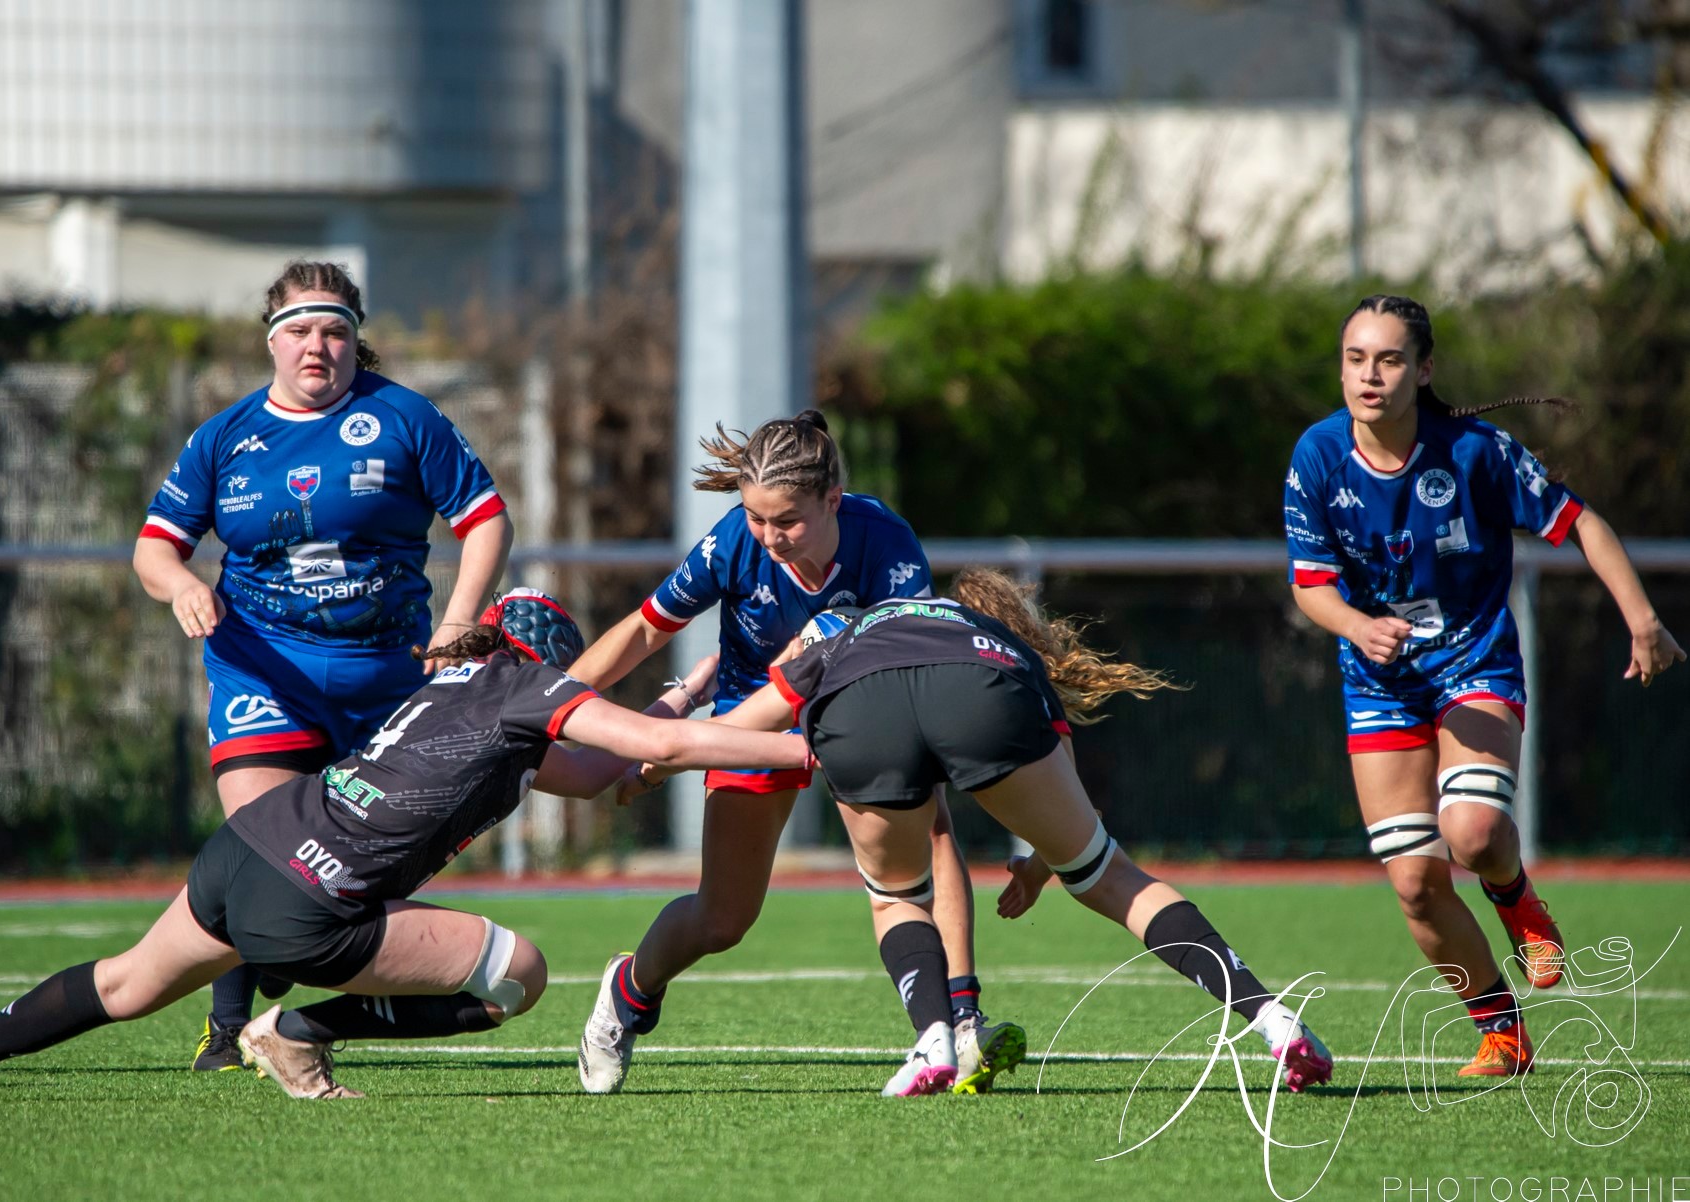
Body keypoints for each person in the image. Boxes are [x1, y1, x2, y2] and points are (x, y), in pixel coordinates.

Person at [0, 592, 812, 1103]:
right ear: (549, 664)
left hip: (251, 844)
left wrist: (683, 697)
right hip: (314, 901)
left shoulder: (451, 688)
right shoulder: (530, 693)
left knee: (125, 984)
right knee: (519, 977)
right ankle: (294, 1033)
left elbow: (603, 769)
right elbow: (650, 755)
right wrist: (795, 742)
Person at [630, 572, 1335, 1097]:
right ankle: (1272, 1019)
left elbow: (737, 728)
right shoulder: (1001, 646)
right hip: (983, 694)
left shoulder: (838, 634)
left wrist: (659, 757)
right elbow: (1061, 780)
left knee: (897, 897)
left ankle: (935, 1042)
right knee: (1113, 877)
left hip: (861, 706)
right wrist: (1036, 862)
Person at [1282, 294, 1683, 1078]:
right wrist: (1357, 626)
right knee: (1416, 882)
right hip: (1380, 681)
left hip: (1473, 663)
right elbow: (1309, 584)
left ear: (1424, 369)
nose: (1370, 375)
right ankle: (1502, 1031)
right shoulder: (1317, 456)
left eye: (1390, 359)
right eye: (1356, 359)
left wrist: (1642, 619)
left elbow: (1582, 522)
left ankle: (1515, 895)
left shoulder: (1474, 452)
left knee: (1469, 835)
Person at [571, 410, 1024, 1096]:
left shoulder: (887, 545)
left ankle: (962, 1018)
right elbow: (643, 630)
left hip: (862, 711)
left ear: (832, 498)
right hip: (751, 722)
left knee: (931, 831)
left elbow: (899, 670)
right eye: (756, 517)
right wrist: (555, 702)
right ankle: (628, 991)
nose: (769, 537)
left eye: (786, 520)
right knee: (723, 919)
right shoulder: (734, 543)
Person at [133, 260, 516, 1070]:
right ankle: (228, 1026)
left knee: (350, 868)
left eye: (336, 331)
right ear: (273, 343)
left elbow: (485, 521)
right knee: (263, 843)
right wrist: (180, 587)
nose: (319, 346)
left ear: (356, 341)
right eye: (301, 331)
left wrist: (456, 623)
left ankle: (309, 1000)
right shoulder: (225, 436)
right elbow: (155, 545)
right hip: (263, 672)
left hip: (385, 680)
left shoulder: (405, 418)